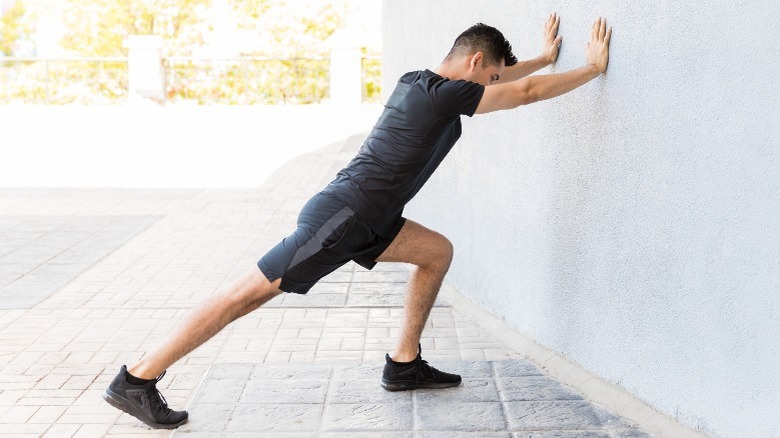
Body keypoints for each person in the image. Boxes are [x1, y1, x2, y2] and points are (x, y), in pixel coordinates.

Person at [103, 13, 612, 429]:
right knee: (245, 296)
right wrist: (590, 69)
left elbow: (507, 84)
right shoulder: (445, 94)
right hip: (341, 218)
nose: (493, 86)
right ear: (476, 62)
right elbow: (521, 95)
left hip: (370, 218)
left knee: (436, 252)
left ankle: (404, 363)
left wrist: (543, 59)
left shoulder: (420, 81)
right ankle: (138, 379)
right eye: (491, 75)